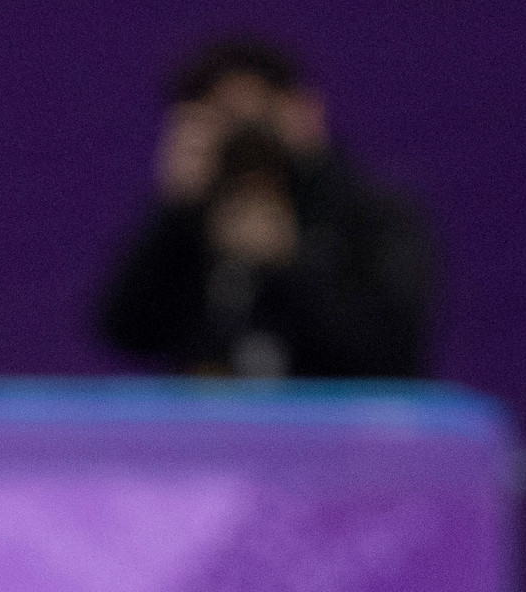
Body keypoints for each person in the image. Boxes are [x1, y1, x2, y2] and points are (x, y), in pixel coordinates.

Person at [95, 34, 434, 380]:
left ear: (305, 110)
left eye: (260, 118)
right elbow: (125, 331)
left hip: (333, 412)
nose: (247, 142)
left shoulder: (370, 214)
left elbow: (392, 354)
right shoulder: (191, 220)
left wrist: (290, 263)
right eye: (224, 120)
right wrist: (175, 211)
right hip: (214, 413)